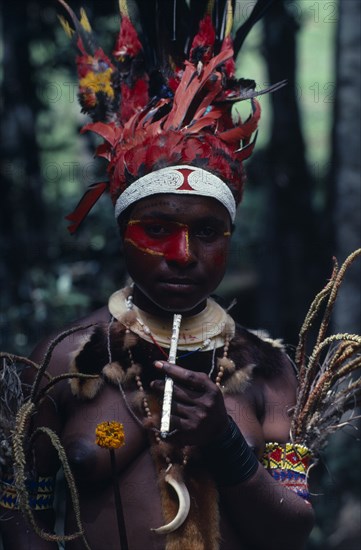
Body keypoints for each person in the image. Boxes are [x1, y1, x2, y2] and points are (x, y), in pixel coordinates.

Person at [0, 2, 316, 549]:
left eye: (209, 232)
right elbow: (18, 520)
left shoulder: (269, 371)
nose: (183, 253)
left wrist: (224, 441)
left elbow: (291, 530)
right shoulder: (58, 360)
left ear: (230, 237)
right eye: (156, 229)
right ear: (122, 230)